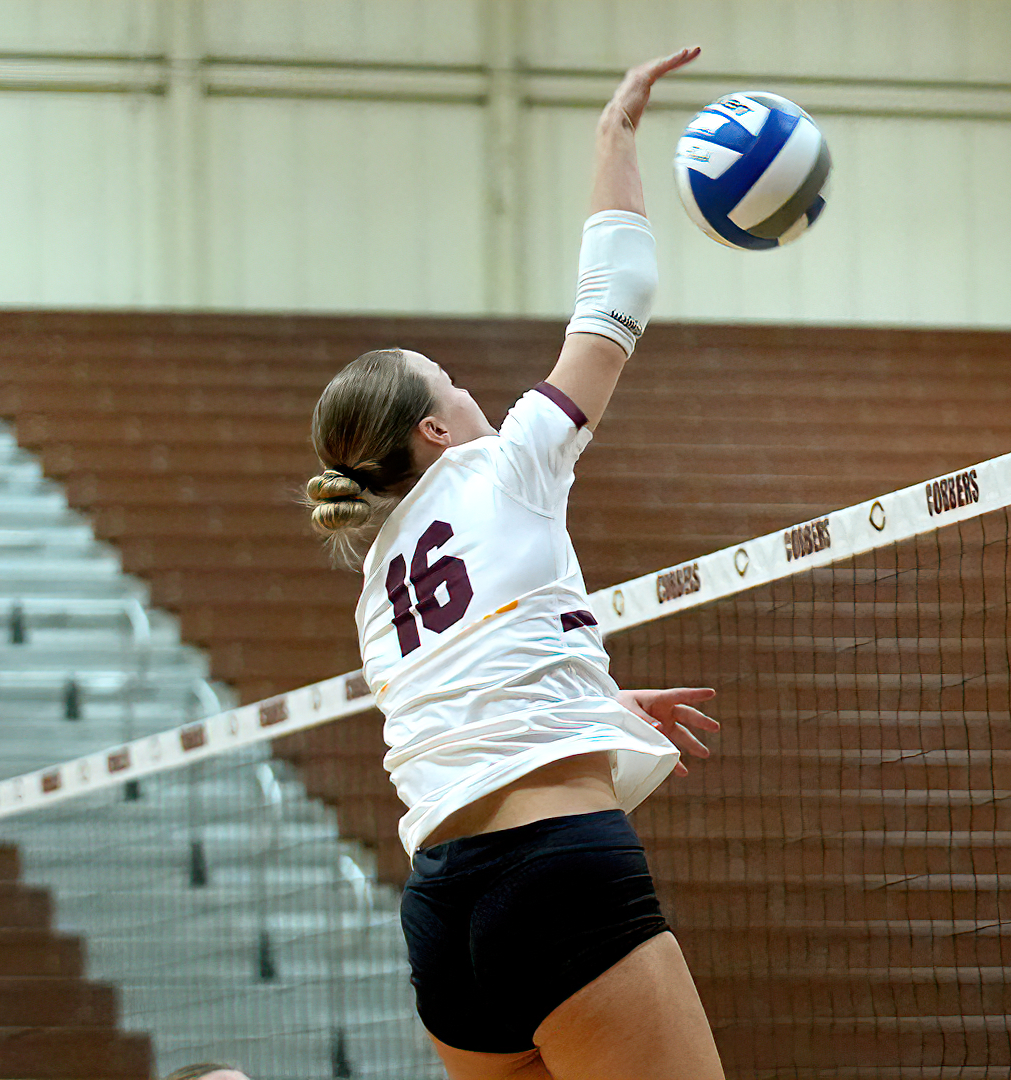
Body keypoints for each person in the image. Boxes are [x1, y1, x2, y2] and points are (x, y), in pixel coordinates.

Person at [302, 49, 726, 1080]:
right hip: (557, 881)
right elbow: (617, 292)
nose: (473, 394)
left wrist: (597, 703)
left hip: (444, 914)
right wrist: (613, 134)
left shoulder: (374, 589)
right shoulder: (504, 466)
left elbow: (474, 708)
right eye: (450, 383)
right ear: (435, 434)